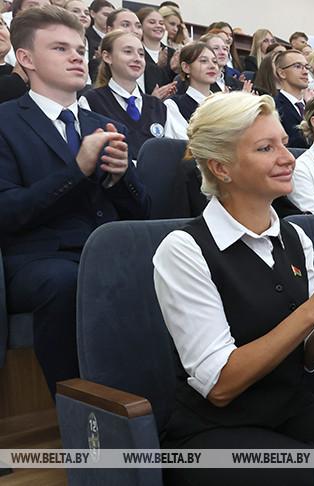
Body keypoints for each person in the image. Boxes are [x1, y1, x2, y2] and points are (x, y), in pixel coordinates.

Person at [154, 92, 314, 486]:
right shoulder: (184, 250)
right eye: (266, 148)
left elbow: (308, 358)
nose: (288, 157)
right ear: (221, 168)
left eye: (283, 143)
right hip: (215, 431)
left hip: (291, 409)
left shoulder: (295, 238)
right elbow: (220, 387)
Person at [0, 6, 148, 396]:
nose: (76, 57)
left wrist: (120, 178)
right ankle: (82, 411)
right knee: (68, 282)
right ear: (26, 59)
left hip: (105, 250)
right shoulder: (5, 122)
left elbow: (142, 211)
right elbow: (8, 212)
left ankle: (158, 402)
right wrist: (77, 170)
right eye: (60, 48)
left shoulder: (102, 125)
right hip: (39, 259)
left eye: (80, 50)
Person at [79, 30, 185, 159]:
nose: (137, 58)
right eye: (128, 52)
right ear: (107, 57)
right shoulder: (91, 101)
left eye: (141, 54)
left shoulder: (158, 106)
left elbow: (181, 148)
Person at [164, 42, 218, 131]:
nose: (212, 66)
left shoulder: (222, 104)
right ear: (186, 67)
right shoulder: (174, 105)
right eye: (203, 61)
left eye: (215, 61)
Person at [273, 49, 311, 149]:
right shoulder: (274, 107)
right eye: (297, 66)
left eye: (307, 67)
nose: (305, 72)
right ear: (282, 73)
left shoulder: (312, 106)